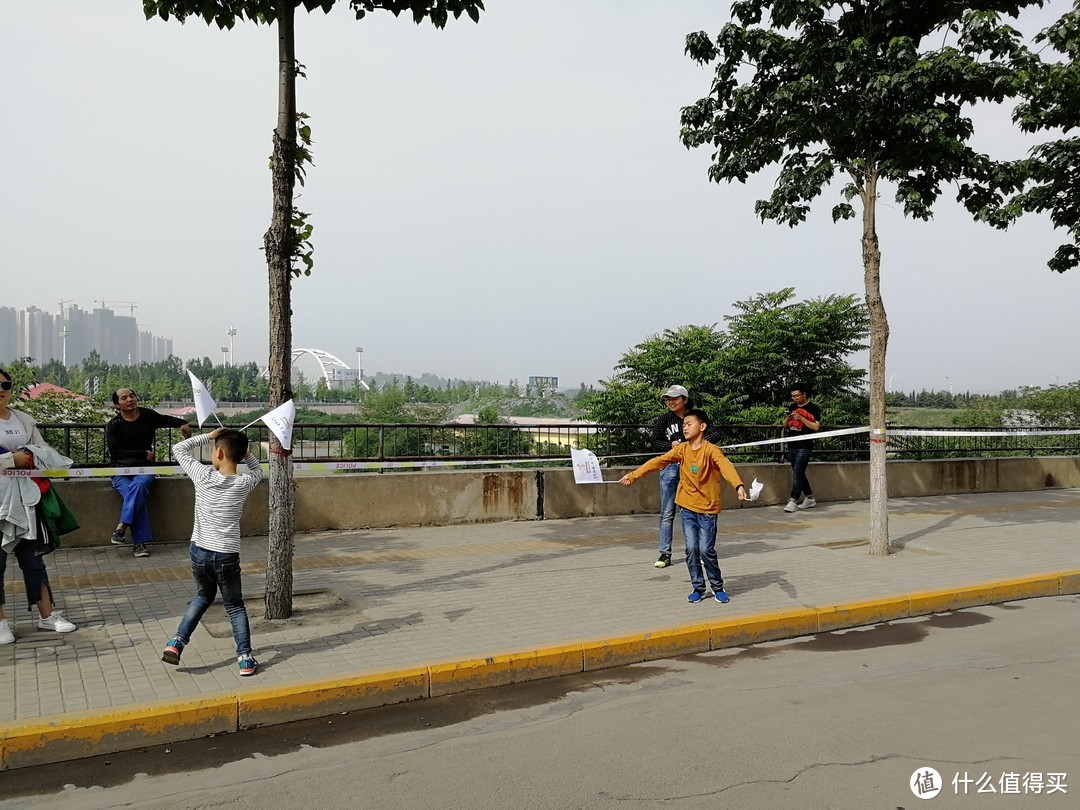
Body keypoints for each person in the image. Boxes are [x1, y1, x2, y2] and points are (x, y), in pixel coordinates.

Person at [163, 427, 264, 676]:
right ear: (239, 456)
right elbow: (259, 470)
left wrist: (207, 436)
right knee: (234, 607)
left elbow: (178, 449)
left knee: (201, 597)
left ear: (218, 452)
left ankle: (176, 643)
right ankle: (244, 658)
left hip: (199, 551)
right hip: (227, 555)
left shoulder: (203, 476)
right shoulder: (244, 482)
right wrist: (246, 453)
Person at [622, 409, 747, 604]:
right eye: (684, 425)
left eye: (689, 424)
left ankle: (717, 586)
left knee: (706, 550)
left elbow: (726, 466)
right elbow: (658, 462)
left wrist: (738, 485)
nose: (685, 427)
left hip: (707, 509)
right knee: (691, 549)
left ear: (702, 427)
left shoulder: (711, 450)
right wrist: (633, 475)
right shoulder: (682, 449)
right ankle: (698, 587)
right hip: (687, 507)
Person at [0, 367, 78, 644]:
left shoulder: (23, 420)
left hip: (27, 502)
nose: (1, 389)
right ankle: (0, 623)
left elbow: (43, 450)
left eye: (6, 384)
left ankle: (47, 614)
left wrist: (30, 455)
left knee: (33, 561)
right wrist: (11, 460)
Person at [105, 387, 192, 557]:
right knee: (137, 497)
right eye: (124, 398)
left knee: (140, 485)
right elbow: (115, 452)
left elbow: (165, 419)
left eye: (132, 396)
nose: (130, 399)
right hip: (121, 470)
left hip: (144, 468)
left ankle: (122, 526)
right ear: (117, 404)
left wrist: (183, 423)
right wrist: (143, 453)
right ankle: (139, 544)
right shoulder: (114, 425)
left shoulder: (147, 416)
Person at [783, 383, 822, 513]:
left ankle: (793, 500)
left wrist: (801, 418)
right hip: (792, 444)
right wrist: (788, 418)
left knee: (797, 473)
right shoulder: (792, 407)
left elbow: (816, 427)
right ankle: (809, 497)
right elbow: (785, 426)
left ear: (804, 394)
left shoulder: (813, 408)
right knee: (798, 473)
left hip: (804, 445)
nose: (795, 398)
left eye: (797, 395)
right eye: (793, 396)